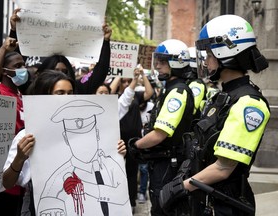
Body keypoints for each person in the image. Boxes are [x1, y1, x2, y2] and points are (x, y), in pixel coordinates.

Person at [159, 15, 271, 216]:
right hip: (204, 198)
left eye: (209, 54)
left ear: (227, 52)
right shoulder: (222, 97)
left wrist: (179, 188)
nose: (206, 60)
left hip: (225, 205)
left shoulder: (248, 103)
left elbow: (223, 168)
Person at [2, 70, 127, 215]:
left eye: (70, 92)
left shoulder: (103, 160)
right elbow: (7, 183)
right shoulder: (27, 136)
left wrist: (117, 153)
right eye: (60, 93)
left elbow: (119, 194)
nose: (67, 97)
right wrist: (19, 158)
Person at [128, 39, 195, 216]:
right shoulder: (170, 89)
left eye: (163, 61)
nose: (157, 66)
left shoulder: (177, 92)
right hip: (163, 162)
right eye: (157, 60)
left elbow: (160, 134)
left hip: (168, 163)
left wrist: (136, 145)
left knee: (163, 209)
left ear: (177, 62)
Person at [9, 8, 112, 95]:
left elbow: (100, 72)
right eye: (56, 70)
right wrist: (15, 31)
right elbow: (13, 60)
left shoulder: (77, 89)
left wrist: (105, 42)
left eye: (64, 71)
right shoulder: (33, 88)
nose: (61, 75)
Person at [0, 37, 30, 216]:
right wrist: (3, 49)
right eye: (17, 66)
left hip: (20, 171)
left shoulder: (21, 94)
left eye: (23, 65)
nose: (23, 70)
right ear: (4, 71)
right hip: (2, 177)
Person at [110, 65, 154, 213]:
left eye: (129, 81)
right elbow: (110, 89)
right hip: (118, 141)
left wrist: (142, 75)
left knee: (131, 172)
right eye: (124, 81)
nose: (127, 84)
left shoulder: (135, 95)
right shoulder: (115, 99)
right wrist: (120, 71)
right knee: (116, 171)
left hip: (134, 142)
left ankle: (131, 201)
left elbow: (149, 92)